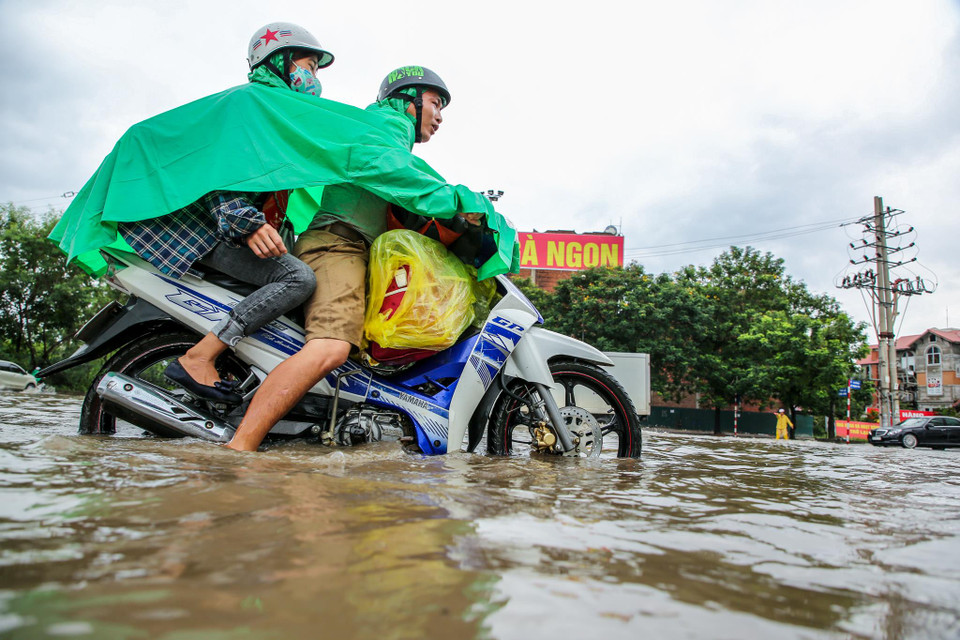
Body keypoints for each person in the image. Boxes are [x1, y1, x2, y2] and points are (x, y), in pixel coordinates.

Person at [225, 67, 481, 452]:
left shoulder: (388, 135)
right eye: (434, 103)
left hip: (354, 251)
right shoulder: (383, 127)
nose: (440, 115)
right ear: (408, 101)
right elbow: (402, 174)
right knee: (331, 347)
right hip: (336, 246)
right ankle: (239, 451)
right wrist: (466, 203)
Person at [119, 23, 335, 403]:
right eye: (309, 65)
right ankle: (201, 354)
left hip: (225, 229)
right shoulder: (250, 104)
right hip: (207, 232)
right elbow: (219, 168)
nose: (314, 78)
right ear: (281, 61)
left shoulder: (276, 114)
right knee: (298, 280)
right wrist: (245, 223)